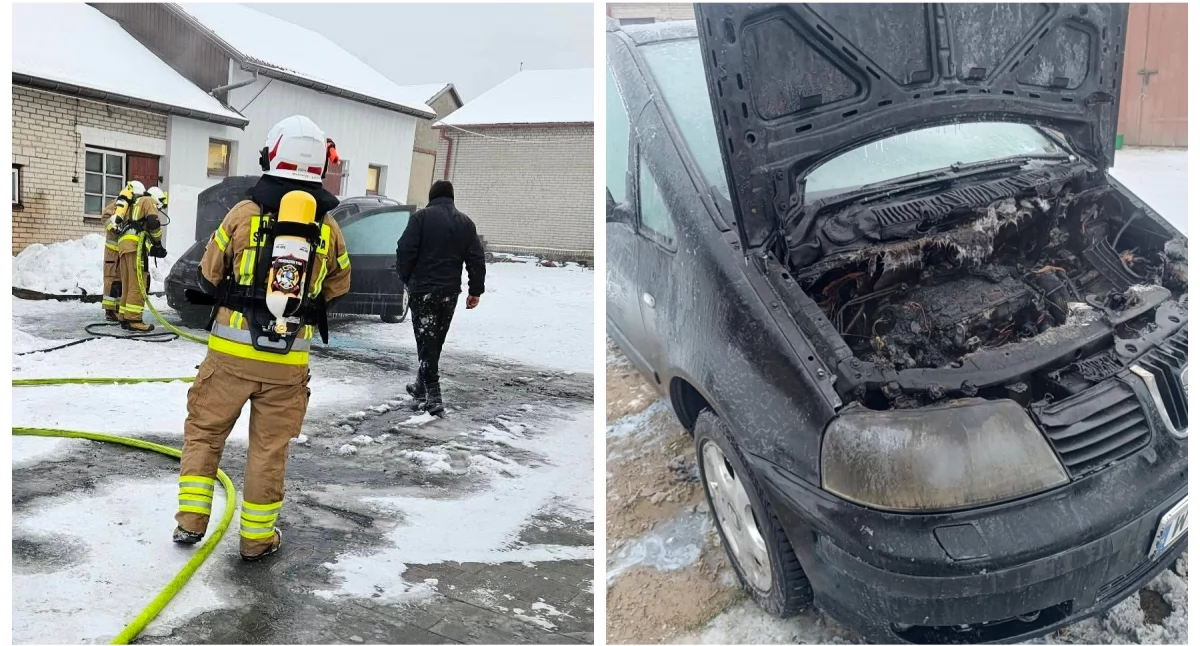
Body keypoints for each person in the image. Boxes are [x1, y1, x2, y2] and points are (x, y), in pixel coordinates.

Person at [174, 115, 351, 562]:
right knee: (269, 450)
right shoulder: (328, 229)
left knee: (205, 433)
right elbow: (340, 286)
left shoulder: (242, 213)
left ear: (272, 155)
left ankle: (191, 523)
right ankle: (256, 540)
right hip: (288, 364)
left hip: (230, 358)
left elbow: (209, 272)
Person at [394, 179, 486, 416]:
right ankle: (420, 387)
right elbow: (476, 259)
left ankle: (434, 395)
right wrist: (475, 290)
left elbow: (404, 250)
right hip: (449, 293)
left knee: (427, 342)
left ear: (432, 195)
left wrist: (406, 278)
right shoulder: (466, 223)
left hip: (423, 290)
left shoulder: (421, 219)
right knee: (434, 342)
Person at [114, 184, 167, 331]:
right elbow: (153, 223)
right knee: (138, 283)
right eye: (159, 206)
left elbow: (139, 227)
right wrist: (158, 244)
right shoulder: (148, 201)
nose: (158, 210)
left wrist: (153, 249)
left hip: (124, 246)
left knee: (128, 283)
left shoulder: (133, 204)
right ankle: (134, 319)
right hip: (135, 247)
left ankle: (124, 317)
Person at [102, 180, 145, 321]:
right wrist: (114, 228)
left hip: (123, 250)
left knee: (122, 280)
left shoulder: (133, 206)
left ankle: (120, 309)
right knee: (112, 279)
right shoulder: (117, 203)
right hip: (113, 250)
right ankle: (109, 310)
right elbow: (105, 218)